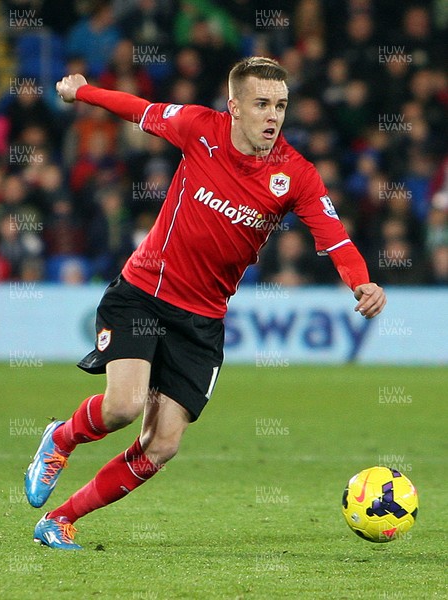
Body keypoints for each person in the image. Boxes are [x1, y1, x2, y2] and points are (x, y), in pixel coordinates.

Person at [25, 57, 386, 550]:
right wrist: (83, 92)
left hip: (202, 321)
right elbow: (141, 110)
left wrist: (362, 282)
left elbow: (334, 238)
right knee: (124, 407)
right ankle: (60, 440)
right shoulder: (199, 128)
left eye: (280, 105)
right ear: (234, 107)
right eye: (261, 104)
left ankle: (60, 521)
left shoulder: (295, 174)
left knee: (163, 445)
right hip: (144, 296)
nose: (272, 116)